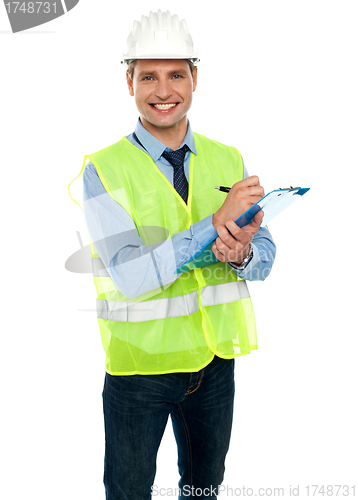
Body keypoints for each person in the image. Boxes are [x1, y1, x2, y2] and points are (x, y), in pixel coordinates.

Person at [73, 9, 276, 500]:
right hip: (139, 370)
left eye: (175, 74)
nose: (163, 90)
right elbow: (132, 277)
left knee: (204, 489)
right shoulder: (104, 169)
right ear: (129, 82)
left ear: (195, 78)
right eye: (148, 76)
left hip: (213, 363)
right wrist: (213, 225)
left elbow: (266, 255)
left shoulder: (227, 157)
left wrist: (241, 252)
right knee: (128, 492)